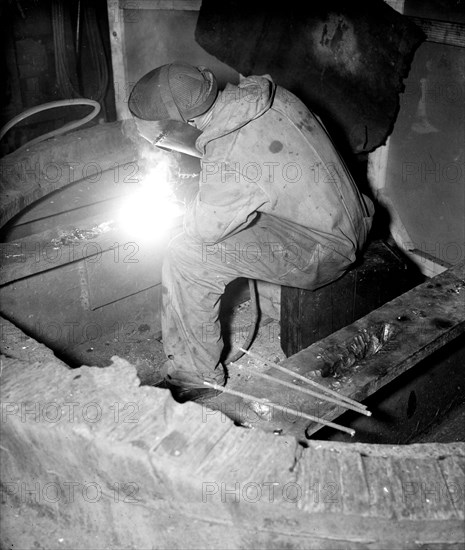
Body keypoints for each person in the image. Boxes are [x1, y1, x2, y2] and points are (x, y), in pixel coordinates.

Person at [128, 62, 374, 402]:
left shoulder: (227, 153)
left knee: (187, 256)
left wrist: (190, 209)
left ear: (183, 123)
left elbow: (204, 231)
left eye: (160, 139)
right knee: (246, 215)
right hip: (352, 215)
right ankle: (272, 307)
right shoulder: (268, 95)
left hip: (325, 250)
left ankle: (195, 375)